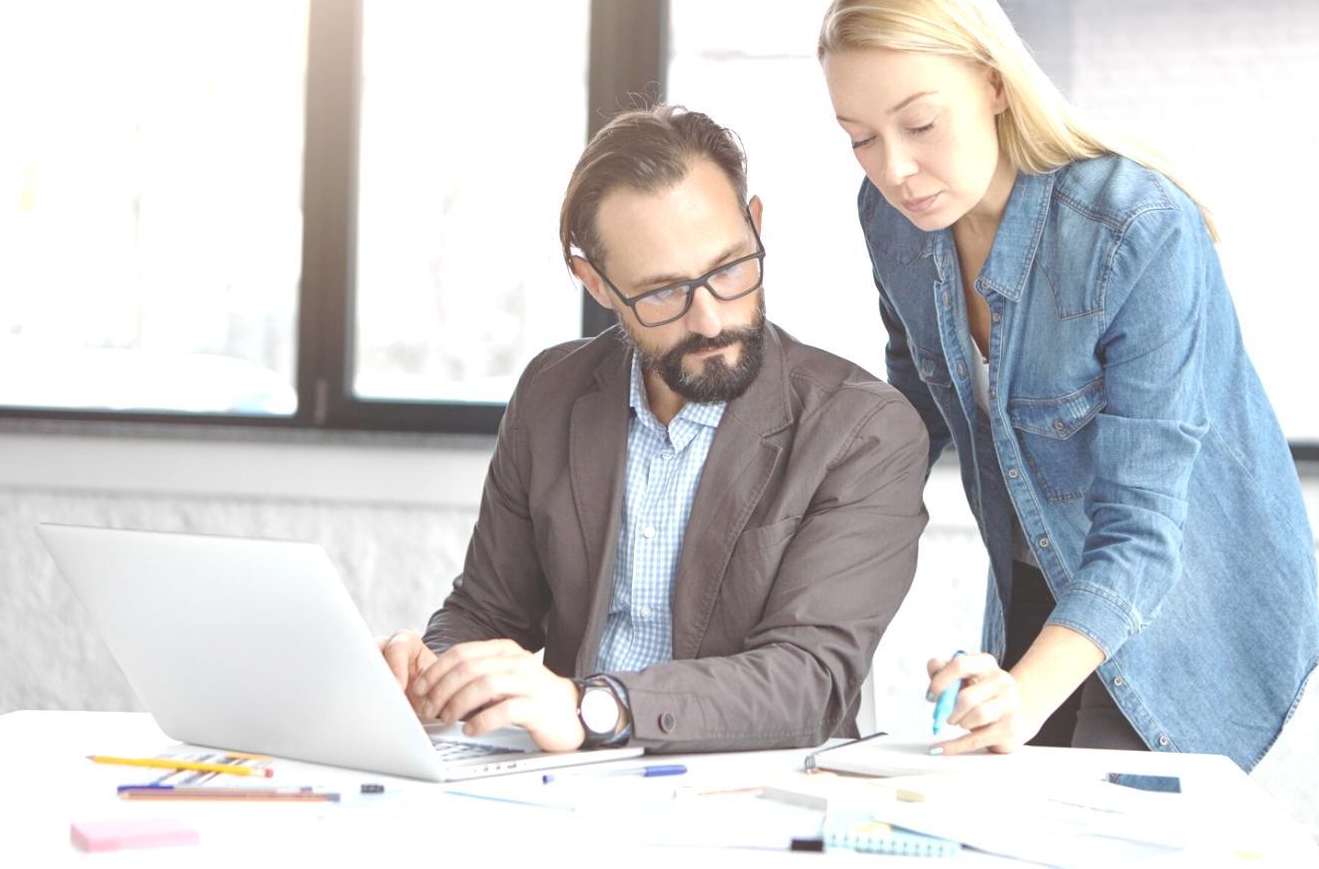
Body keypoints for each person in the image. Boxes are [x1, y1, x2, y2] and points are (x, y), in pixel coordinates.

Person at [817, 0, 1319, 770]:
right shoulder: (892, 221)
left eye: (919, 124)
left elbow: (1144, 526)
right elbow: (909, 411)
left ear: (992, 80)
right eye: (860, 139)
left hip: (1181, 596)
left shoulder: (1137, 229)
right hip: (1037, 565)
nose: (896, 171)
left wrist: (1025, 692)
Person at [379, 105, 929, 753]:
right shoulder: (550, 394)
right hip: (562, 784)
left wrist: (593, 709)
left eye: (729, 268)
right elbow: (488, 612)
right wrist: (437, 673)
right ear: (597, 284)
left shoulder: (862, 430)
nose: (708, 319)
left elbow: (808, 684)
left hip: (749, 796)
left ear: (755, 225)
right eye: (662, 293)